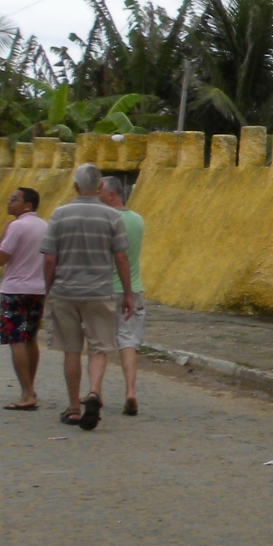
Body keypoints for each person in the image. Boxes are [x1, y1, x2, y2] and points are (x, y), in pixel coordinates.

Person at [40, 163, 134, 431]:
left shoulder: (59, 215)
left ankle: (73, 408)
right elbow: (120, 257)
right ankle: (93, 391)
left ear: (75, 186)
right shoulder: (112, 217)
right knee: (99, 348)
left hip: (65, 291)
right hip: (99, 291)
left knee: (71, 349)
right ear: (100, 186)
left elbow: (49, 259)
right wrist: (127, 294)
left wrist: (47, 290)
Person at [0, 187, 48, 410]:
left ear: (27, 205)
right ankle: (29, 387)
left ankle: (26, 393)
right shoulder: (44, 226)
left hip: (15, 288)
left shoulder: (16, 226)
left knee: (16, 339)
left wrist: (3, 234)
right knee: (31, 338)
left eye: (14, 199)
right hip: (38, 288)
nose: (9, 201)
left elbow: (0, 258)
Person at [98, 176, 145, 415]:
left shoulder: (105, 220)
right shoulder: (138, 220)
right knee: (128, 342)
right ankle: (130, 391)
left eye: (100, 191)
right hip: (132, 288)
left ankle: (96, 391)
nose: (96, 195)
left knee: (100, 343)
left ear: (112, 194)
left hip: (105, 288)